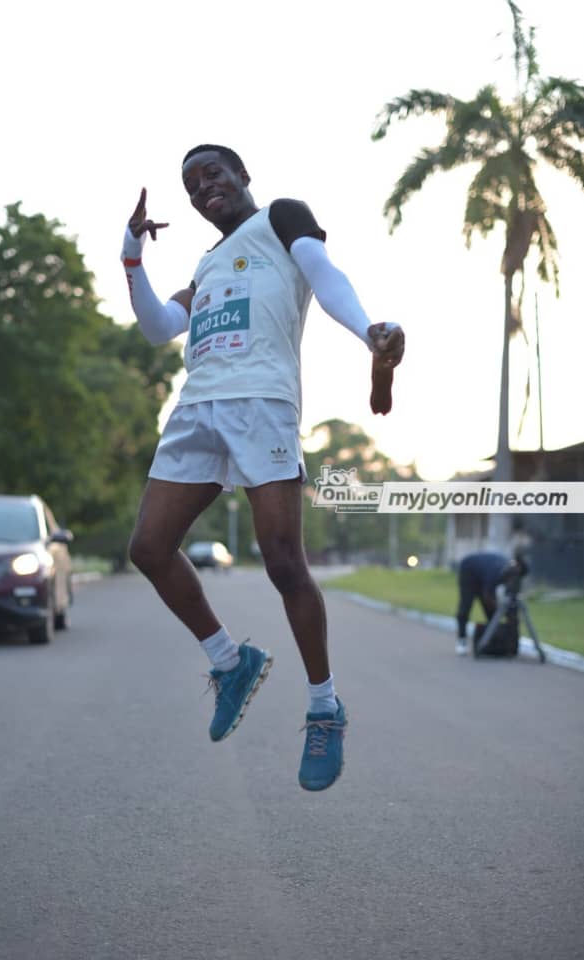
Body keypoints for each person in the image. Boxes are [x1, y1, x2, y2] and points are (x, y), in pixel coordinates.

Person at [120, 144, 405, 791]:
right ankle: (229, 661)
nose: (203, 187)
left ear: (242, 175)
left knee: (282, 562)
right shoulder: (206, 264)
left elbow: (325, 274)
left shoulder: (281, 217)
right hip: (196, 410)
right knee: (148, 547)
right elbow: (158, 326)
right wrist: (131, 256)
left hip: (261, 404)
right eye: (191, 184)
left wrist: (369, 332)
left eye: (212, 173)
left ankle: (324, 708)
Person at [455, 552, 510, 655]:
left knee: (491, 612)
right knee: (465, 607)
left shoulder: (509, 571)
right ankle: (461, 641)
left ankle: (492, 642)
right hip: (468, 570)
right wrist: (499, 610)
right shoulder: (495, 573)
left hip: (483, 572)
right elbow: (487, 595)